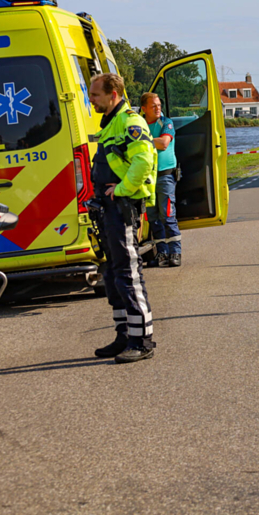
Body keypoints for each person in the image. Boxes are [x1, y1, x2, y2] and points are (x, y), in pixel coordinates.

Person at [88, 74, 158, 363]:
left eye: (95, 94)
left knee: (128, 274)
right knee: (112, 274)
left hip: (122, 208)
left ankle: (142, 340)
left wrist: (120, 190)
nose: (91, 99)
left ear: (113, 94)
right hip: (107, 210)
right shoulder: (111, 122)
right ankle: (123, 335)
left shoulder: (130, 121)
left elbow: (144, 161)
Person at [140, 92, 181, 268]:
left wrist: (141, 140)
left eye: (159, 105)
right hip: (147, 178)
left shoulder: (166, 123)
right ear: (144, 109)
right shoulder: (139, 124)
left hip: (164, 176)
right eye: (153, 106)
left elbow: (163, 143)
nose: (158, 108)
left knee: (168, 216)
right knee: (153, 218)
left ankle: (175, 253)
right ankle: (162, 254)